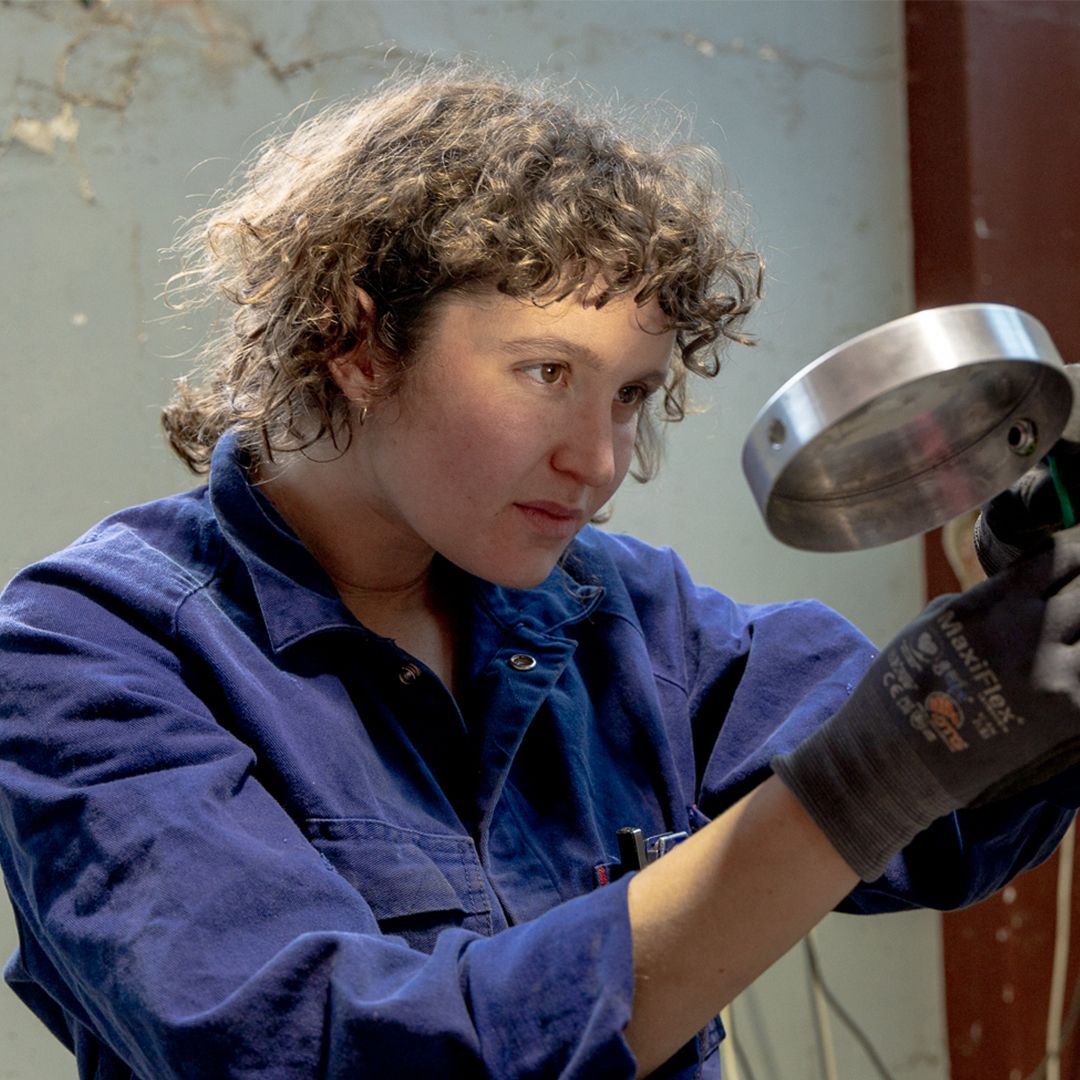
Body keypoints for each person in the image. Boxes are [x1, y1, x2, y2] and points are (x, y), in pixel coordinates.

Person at [2, 67, 1080, 1080]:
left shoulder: (630, 617)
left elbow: (938, 827)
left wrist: (1037, 639)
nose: (600, 462)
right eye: (546, 372)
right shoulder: (90, 652)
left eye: (629, 396)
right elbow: (325, 1048)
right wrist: (864, 777)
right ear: (360, 343)